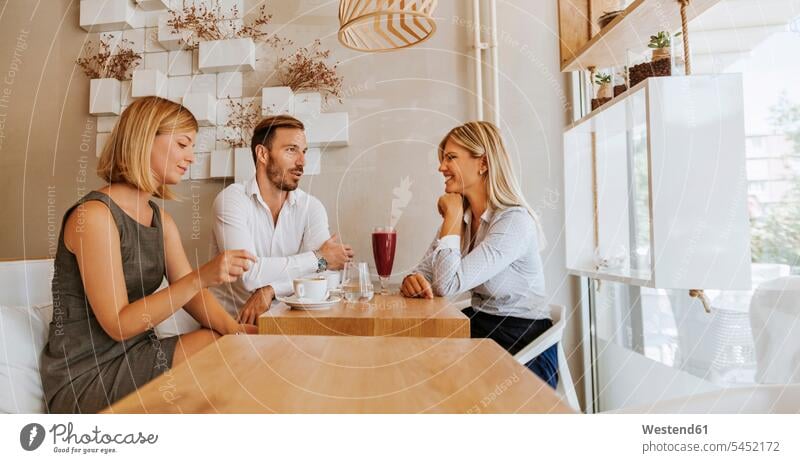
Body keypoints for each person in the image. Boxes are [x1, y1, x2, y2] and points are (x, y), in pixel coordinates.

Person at [40, 97, 257, 413]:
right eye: (183, 144)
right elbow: (118, 324)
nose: (191, 157)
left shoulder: (160, 221)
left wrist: (236, 331)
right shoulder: (94, 217)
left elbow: (193, 295)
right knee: (216, 353)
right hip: (86, 375)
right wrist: (201, 277)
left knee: (223, 342)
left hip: (138, 353)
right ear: (144, 139)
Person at [400, 121, 558, 388]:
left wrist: (450, 215)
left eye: (451, 158)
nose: (441, 168)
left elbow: (447, 284)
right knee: (411, 368)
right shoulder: (464, 216)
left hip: (522, 343)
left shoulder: (514, 222)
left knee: (429, 382)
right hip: (479, 329)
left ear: (482, 164)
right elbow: (426, 272)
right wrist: (412, 279)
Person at [210, 115, 354, 324]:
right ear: (262, 154)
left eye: (303, 152)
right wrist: (318, 259)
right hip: (232, 326)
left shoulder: (311, 207)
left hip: (291, 326)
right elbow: (249, 276)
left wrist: (271, 290)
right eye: (291, 150)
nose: (302, 162)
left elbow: (327, 276)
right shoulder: (231, 201)